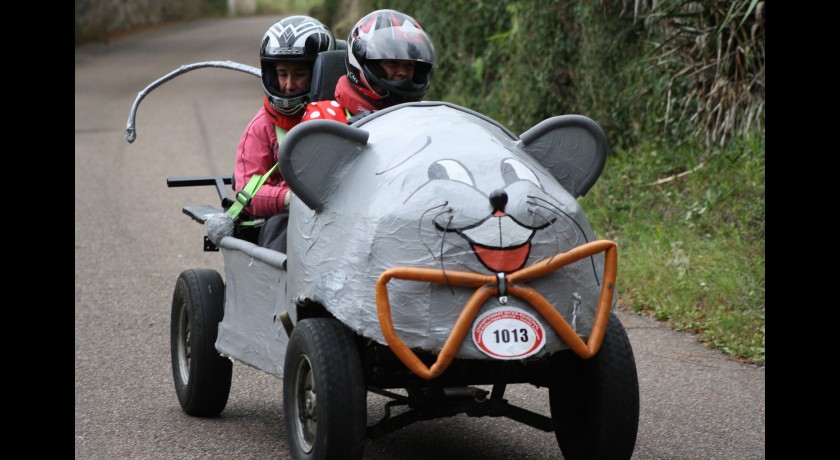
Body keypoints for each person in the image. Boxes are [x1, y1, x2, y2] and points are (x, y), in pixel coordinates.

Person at [231, 16, 334, 252]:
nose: (288, 85)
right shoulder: (260, 127)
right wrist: (290, 200)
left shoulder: (340, 117)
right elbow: (248, 192)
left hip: (336, 215)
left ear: (318, 72)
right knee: (284, 227)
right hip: (282, 219)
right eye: (282, 74)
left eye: (299, 74)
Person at [301, 9, 436, 124]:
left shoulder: (421, 120)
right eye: (392, 63)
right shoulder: (324, 116)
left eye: (409, 65)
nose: (402, 72)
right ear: (362, 62)